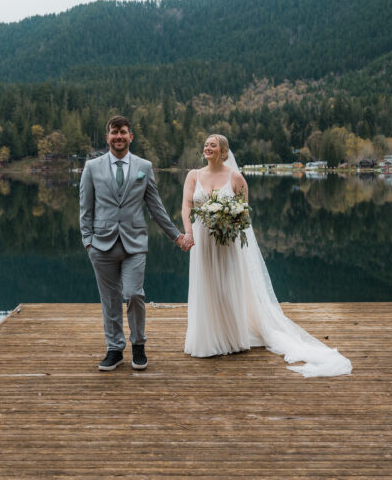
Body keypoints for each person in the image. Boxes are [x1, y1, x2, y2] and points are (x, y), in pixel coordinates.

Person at [180, 134, 352, 377]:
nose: (207, 147)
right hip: (202, 240)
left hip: (226, 242)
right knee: (205, 285)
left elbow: (244, 215)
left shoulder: (236, 178)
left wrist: (227, 221)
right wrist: (188, 232)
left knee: (227, 286)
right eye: (206, 144)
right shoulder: (193, 176)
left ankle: (230, 338)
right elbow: (187, 205)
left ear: (224, 151)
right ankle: (206, 338)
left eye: (213, 145)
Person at [79, 115, 191, 371]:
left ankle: (138, 344)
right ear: (107, 136)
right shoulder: (92, 167)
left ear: (131, 136)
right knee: (109, 298)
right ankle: (115, 349)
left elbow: (156, 208)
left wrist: (176, 236)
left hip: (135, 243)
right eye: (114, 132)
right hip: (101, 244)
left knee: (133, 294)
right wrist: (88, 242)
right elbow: (85, 208)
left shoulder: (144, 166)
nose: (119, 136)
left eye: (123, 132)